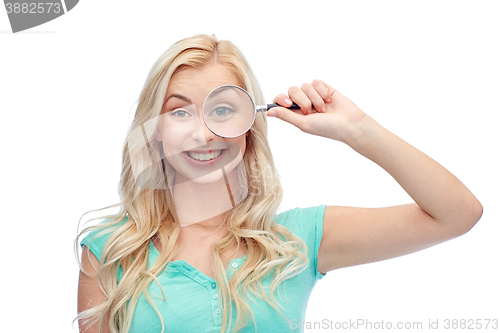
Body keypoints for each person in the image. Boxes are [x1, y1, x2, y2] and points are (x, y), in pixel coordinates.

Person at [75, 34, 483, 333]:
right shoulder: (110, 250)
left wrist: (357, 129)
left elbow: (456, 214)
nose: (203, 133)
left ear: (249, 126)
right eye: (180, 113)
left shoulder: (297, 240)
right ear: (156, 129)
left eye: (222, 110)